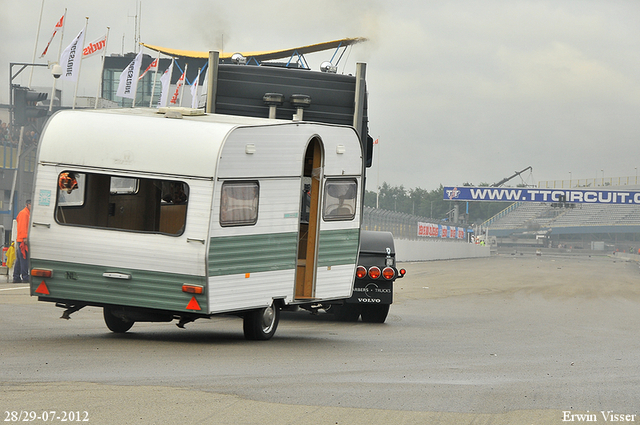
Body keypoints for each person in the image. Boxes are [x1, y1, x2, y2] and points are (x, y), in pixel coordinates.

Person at [13, 199, 31, 283]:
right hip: (23, 239)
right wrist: (25, 238)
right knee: (24, 258)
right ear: (27, 205)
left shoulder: (26, 212)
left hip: (21, 239)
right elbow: (23, 227)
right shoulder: (24, 213)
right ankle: (25, 276)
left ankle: (16, 276)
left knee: (20, 259)